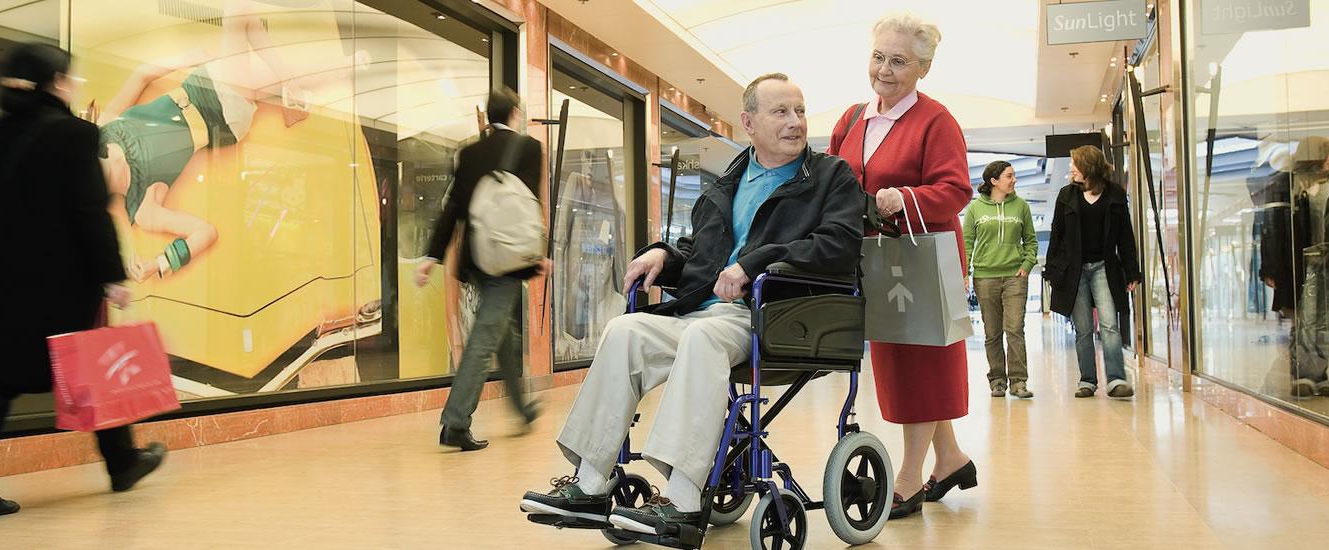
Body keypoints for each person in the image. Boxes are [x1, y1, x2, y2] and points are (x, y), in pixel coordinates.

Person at [518, 73, 863, 536]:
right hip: (708, 312)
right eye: (780, 111)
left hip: (776, 314)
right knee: (625, 331)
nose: (795, 122)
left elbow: (838, 244)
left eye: (799, 111)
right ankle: (591, 483)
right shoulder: (727, 184)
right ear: (749, 122)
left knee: (702, 337)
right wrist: (665, 253)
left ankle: (681, 500)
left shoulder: (829, 177)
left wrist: (755, 265)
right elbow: (704, 259)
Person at [0, 43, 167, 524]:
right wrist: (111, 274)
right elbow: (88, 211)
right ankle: (121, 462)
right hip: (58, 276)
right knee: (91, 361)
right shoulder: (74, 135)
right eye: (70, 79)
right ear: (57, 82)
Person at [826, 13, 976, 519]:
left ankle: (910, 478)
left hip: (924, 259)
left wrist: (905, 197)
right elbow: (832, 182)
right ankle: (950, 458)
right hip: (878, 260)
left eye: (899, 61)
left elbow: (956, 190)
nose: (884, 70)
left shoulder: (936, 121)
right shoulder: (851, 120)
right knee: (899, 362)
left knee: (924, 363)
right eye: (878, 57)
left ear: (923, 68)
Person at [91, 0, 312, 281]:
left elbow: (141, 75)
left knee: (292, 70)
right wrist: (158, 265)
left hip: (199, 84)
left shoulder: (104, 130)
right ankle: (291, 88)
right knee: (240, 9)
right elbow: (205, 231)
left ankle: (293, 98)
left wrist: (186, 58)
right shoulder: (142, 207)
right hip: (220, 115)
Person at [415, 87, 547, 451]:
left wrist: (432, 256)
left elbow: (453, 208)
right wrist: (539, 253)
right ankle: (455, 422)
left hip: (477, 257)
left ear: (489, 116)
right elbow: (530, 207)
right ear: (515, 114)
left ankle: (522, 410)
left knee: (499, 331)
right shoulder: (529, 148)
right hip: (508, 260)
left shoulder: (470, 153)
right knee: (485, 337)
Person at [1046, 145, 1142, 400]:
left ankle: (1117, 379)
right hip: (1074, 270)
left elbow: (1125, 236)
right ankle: (1087, 380)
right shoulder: (1066, 195)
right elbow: (1056, 234)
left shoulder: (1115, 195)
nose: (1071, 169)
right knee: (1083, 328)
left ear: (1089, 166)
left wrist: (1132, 271)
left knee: (1110, 324)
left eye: (1075, 164)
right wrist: (1052, 271)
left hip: (1104, 267)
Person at [1271, 136, 1329, 398]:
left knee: (1323, 320)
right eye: (1327, 153)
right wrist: (1271, 268)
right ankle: (1302, 375)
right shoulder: (1288, 186)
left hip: (1327, 262)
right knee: (1302, 319)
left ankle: (1320, 375)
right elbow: (1274, 231)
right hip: (1298, 262)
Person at [963, 160, 1038, 399]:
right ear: (993, 181)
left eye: (1014, 175)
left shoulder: (1021, 206)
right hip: (985, 277)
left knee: (1015, 329)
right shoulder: (975, 208)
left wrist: (1027, 265)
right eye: (1009, 176)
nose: (1014, 180)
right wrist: (964, 272)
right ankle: (997, 380)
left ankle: (1018, 382)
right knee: (992, 332)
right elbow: (966, 243)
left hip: (1015, 276)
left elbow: (1031, 241)